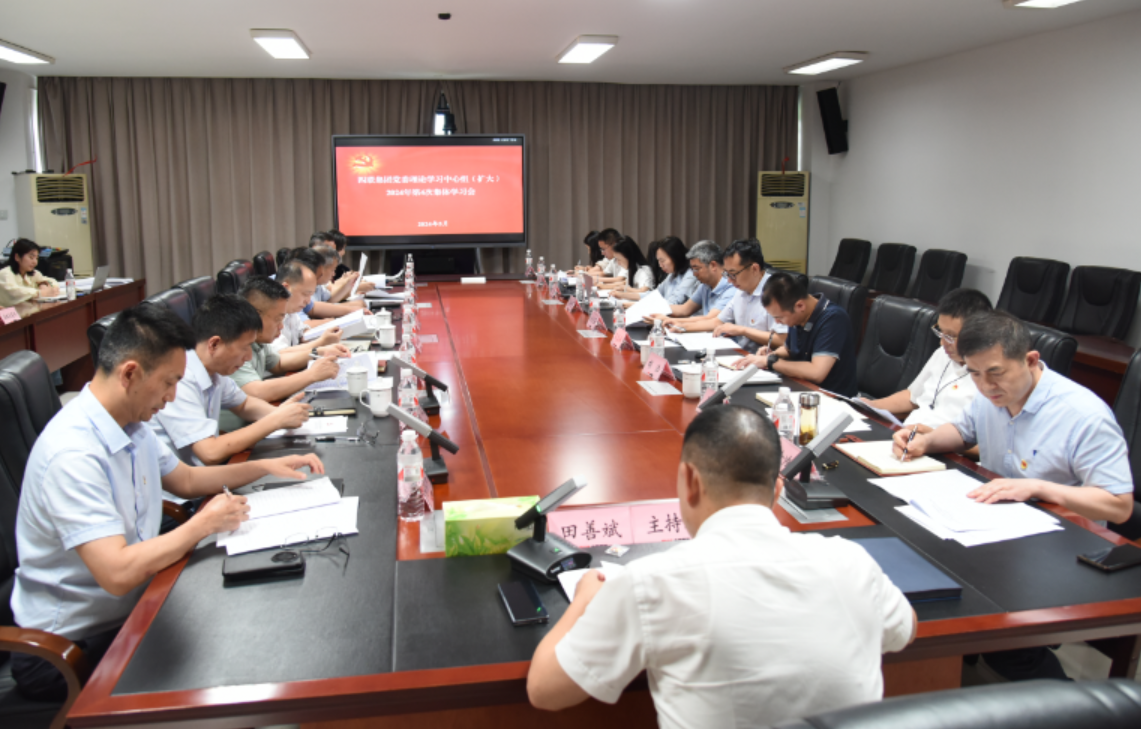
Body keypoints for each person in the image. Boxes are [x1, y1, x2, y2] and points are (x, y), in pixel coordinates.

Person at [9, 302, 324, 701]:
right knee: (229, 661)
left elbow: (187, 479)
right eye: (169, 383)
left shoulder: (130, 423)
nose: (173, 397)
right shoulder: (72, 454)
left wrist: (264, 467)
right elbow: (117, 572)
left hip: (131, 605)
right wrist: (201, 525)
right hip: (70, 647)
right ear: (130, 374)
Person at [527, 406, 916, 725]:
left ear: (689, 481)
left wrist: (586, 598)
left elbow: (544, 690)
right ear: (778, 491)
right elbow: (905, 627)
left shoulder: (651, 583)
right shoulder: (851, 561)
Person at [891, 309, 1134, 682]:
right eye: (974, 373)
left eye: (996, 373)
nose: (986, 386)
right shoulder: (990, 395)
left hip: (1061, 548)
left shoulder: (1083, 415)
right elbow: (963, 432)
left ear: (1031, 360)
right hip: (995, 531)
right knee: (912, 565)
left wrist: (1038, 487)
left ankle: (1068, 700)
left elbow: (1119, 506)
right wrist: (925, 441)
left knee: (1003, 644)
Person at [150, 294, 314, 467]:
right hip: (188, 480)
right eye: (245, 347)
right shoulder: (179, 380)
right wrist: (275, 420)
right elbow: (210, 452)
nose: (249, 356)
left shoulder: (215, 371)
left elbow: (244, 404)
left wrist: (282, 413)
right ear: (214, 344)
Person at [863, 288, 992, 430]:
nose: (942, 343)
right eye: (940, 332)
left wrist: (931, 437)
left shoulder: (993, 378)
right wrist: (871, 406)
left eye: (950, 336)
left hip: (940, 442)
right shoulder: (943, 353)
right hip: (906, 433)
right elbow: (912, 396)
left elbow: (981, 439)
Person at [738, 271, 858, 397]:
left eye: (779, 317)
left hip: (830, 397)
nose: (777, 322)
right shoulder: (798, 316)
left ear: (800, 306)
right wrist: (773, 354)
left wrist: (769, 362)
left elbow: (816, 372)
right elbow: (789, 349)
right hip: (800, 387)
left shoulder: (833, 319)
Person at [228, 275, 346, 403]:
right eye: (277, 319)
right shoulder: (233, 344)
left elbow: (278, 363)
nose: (281, 326)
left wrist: (319, 351)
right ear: (255, 316)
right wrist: (311, 374)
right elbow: (258, 392)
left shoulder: (259, 340)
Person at [710, 238, 787, 353]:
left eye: (733, 274)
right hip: (741, 354)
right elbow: (719, 321)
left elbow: (782, 340)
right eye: (727, 274)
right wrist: (682, 325)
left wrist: (743, 330)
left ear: (754, 269)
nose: (729, 281)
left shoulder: (777, 291)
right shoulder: (741, 289)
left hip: (762, 358)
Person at [647, 240, 739, 332]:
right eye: (693, 270)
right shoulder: (705, 286)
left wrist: (668, 320)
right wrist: (652, 310)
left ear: (713, 265)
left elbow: (711, 319)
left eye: (697, 269)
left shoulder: (731, 286)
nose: (694, 274)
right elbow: (684, 309)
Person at [272, 259, 343, 351]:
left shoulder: (291, 311)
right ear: (286, 289)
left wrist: (327, 336)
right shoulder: (270, 314)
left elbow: (302, 334)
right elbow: (280, 354)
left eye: (311, 295)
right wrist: (321, 343)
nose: (308, 301)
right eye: (305, 294)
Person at [612, 236, 697, 306]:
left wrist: (633, 305)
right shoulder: (672, 275)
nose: (660, 265)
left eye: (662, 261)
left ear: (675, 257)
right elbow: (655, 294)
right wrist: (622, 295)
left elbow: (674, 303)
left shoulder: (690, 275)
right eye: (658, 261)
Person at [0, 238, 59, 306]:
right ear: (17, 257)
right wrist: (39, 293)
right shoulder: (5, 274)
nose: (35, 262)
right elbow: (15, 293)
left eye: (36, 258)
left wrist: (43, 284)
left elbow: (53, 282)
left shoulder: (33, 273)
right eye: (31, 257)